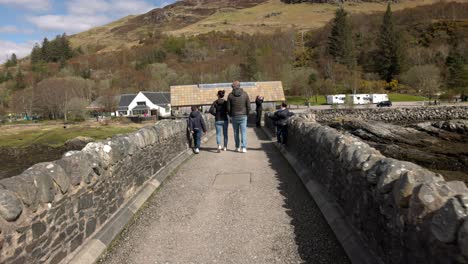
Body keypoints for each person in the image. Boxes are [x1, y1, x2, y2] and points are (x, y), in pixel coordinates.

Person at [227, 80, 251, 153]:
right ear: (239, 86)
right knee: (243, 132)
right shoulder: (245, 94)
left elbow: (228, 108)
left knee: (236, 132)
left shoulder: (230, 95)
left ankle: (237, 147)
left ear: (233, 87)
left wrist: (230, 115)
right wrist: (247, 114)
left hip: (234, 116)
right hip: (243, 115)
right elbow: (248, 106)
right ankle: (244, 147)